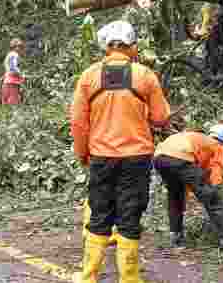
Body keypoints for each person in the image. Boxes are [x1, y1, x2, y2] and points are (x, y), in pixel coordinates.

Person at [70, 20, 172, 283]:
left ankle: (88, 277)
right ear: (131, 46)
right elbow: (161, 118)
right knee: (130, 216)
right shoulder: (145, 75)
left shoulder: (89, 76)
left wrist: (83, 153)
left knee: (99, 215)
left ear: (107, 47)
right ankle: (129, 279)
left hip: (101, 158)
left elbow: (78, 123)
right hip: (136, 160)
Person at [154, 124, 223, 266]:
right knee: (215, 202)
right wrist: (214, 197)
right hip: (180, 157)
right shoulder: (218, 145)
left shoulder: (199, 139)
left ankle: (175, 240)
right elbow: (215, 177)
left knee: (176, 197)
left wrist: (200, 193)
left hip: (160, 157)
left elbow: (189, 177)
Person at [0, 39, 25, 105]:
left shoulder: (9, 55)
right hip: (13, 80)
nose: (21, 49)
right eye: (20, 47)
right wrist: (20, 74)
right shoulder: (15, 55)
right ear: (15, 47)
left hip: (7, 80)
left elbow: (7, 66)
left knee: (5, 99)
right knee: (13, 99)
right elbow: (13, 66)